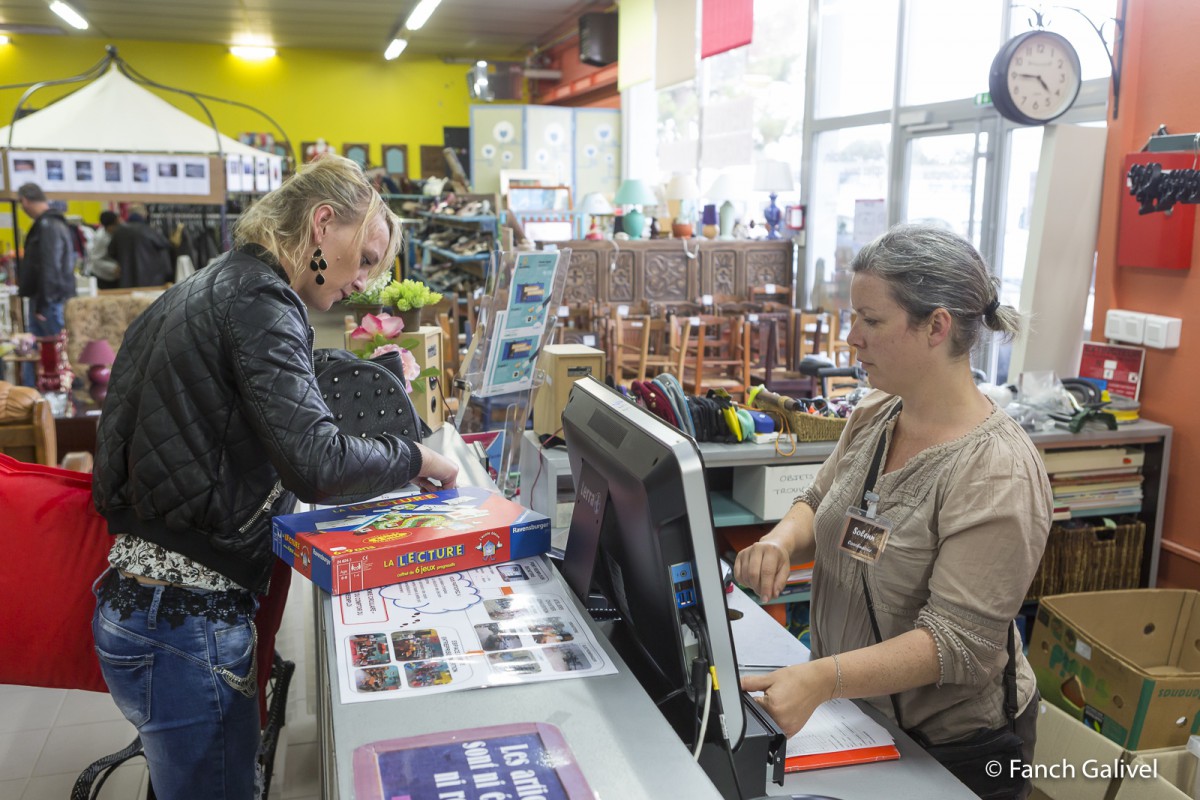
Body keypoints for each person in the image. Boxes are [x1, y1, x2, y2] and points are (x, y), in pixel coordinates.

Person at [91, 154, 460, 800]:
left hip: (138, 611)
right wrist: (416, 457)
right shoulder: (261, 299)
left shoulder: (203, 289)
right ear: (323, 224)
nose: (366, 283)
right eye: (367, 257)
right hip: (187, 625)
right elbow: (316, 462)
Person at [734, 224, 1051, 800]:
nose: (851, 337)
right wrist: (780, 541)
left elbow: (957, 641)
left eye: (871, 321)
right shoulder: (875, 415)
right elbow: (816, 504)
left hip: (954, 753)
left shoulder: (996, 471)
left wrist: (824, 678)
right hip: (857, 719)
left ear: (936, 326)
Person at [15, 182, 76, 386]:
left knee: (49, 353)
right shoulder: (54, 224)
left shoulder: (47, 225)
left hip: (49, 299)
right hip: (51, 297)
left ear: (24, 201)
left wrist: (43, 302)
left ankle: (45, 395)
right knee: (50, 352)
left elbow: (50, 265)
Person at [107, 202, 173, 287]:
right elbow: (165, 245)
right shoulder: (150, 231)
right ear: (143, 215)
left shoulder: (119, 231)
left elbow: (111, 252)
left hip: (126, 278)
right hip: (150, 278)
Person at [86, 210, 122, 290]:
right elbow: (95, 259)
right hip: (103, 277)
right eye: (117, 224)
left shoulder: (114, 233)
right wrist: (114, 268)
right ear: (109, 226)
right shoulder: (101, 238)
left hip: (113, 276)